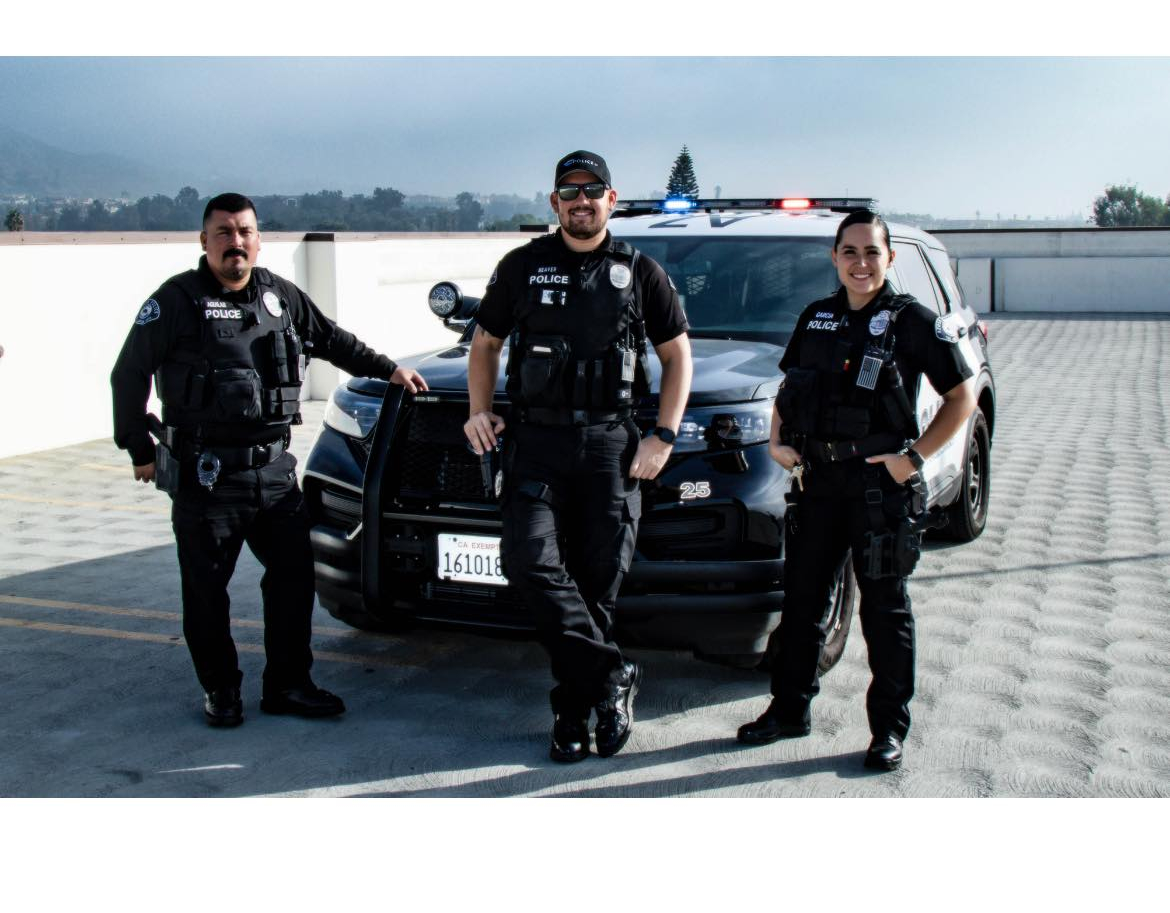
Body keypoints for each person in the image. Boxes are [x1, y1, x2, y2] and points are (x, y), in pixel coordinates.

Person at [111, 192, 427, 727]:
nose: (236, 242)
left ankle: (288, 684)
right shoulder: (176, 301)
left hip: (275, 475)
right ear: (204, 240)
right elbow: (128, 375)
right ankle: (222, 690)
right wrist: (139, 449)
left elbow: (332, 340)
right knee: (207, 591)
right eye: (224, 232)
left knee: (292, 579)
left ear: (258, 238)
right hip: (207, 477)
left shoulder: (279, 297)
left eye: (246, 232)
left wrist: (388, 368)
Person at [465, 151, 692, 762]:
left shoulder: (640, 271)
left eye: (593, 190)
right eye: (570, 191)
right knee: (529, 564)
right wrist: (478, 409)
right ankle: (615, 675)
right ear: (554, 203)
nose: (581, 200)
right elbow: (485, 345)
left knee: (596, 586)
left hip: (610, 446)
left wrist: (663, 435)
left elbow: (677, 357)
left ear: (611, 200)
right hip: (535, 443)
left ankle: (572, 711)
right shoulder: (521, 266)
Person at [736, 209, 976, 771]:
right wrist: (777, 442)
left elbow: (961, 398)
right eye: (850, 252)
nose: (861, 263)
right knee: (801, 607)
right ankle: (789, 710)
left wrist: (913, 459)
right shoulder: (816, 316)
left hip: (879, 490)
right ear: (835, 258)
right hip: (818, 485)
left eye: (872, 252)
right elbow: (788, 387)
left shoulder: (911, 321)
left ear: (889, 257)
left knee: (885, 612)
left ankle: (888, 730)